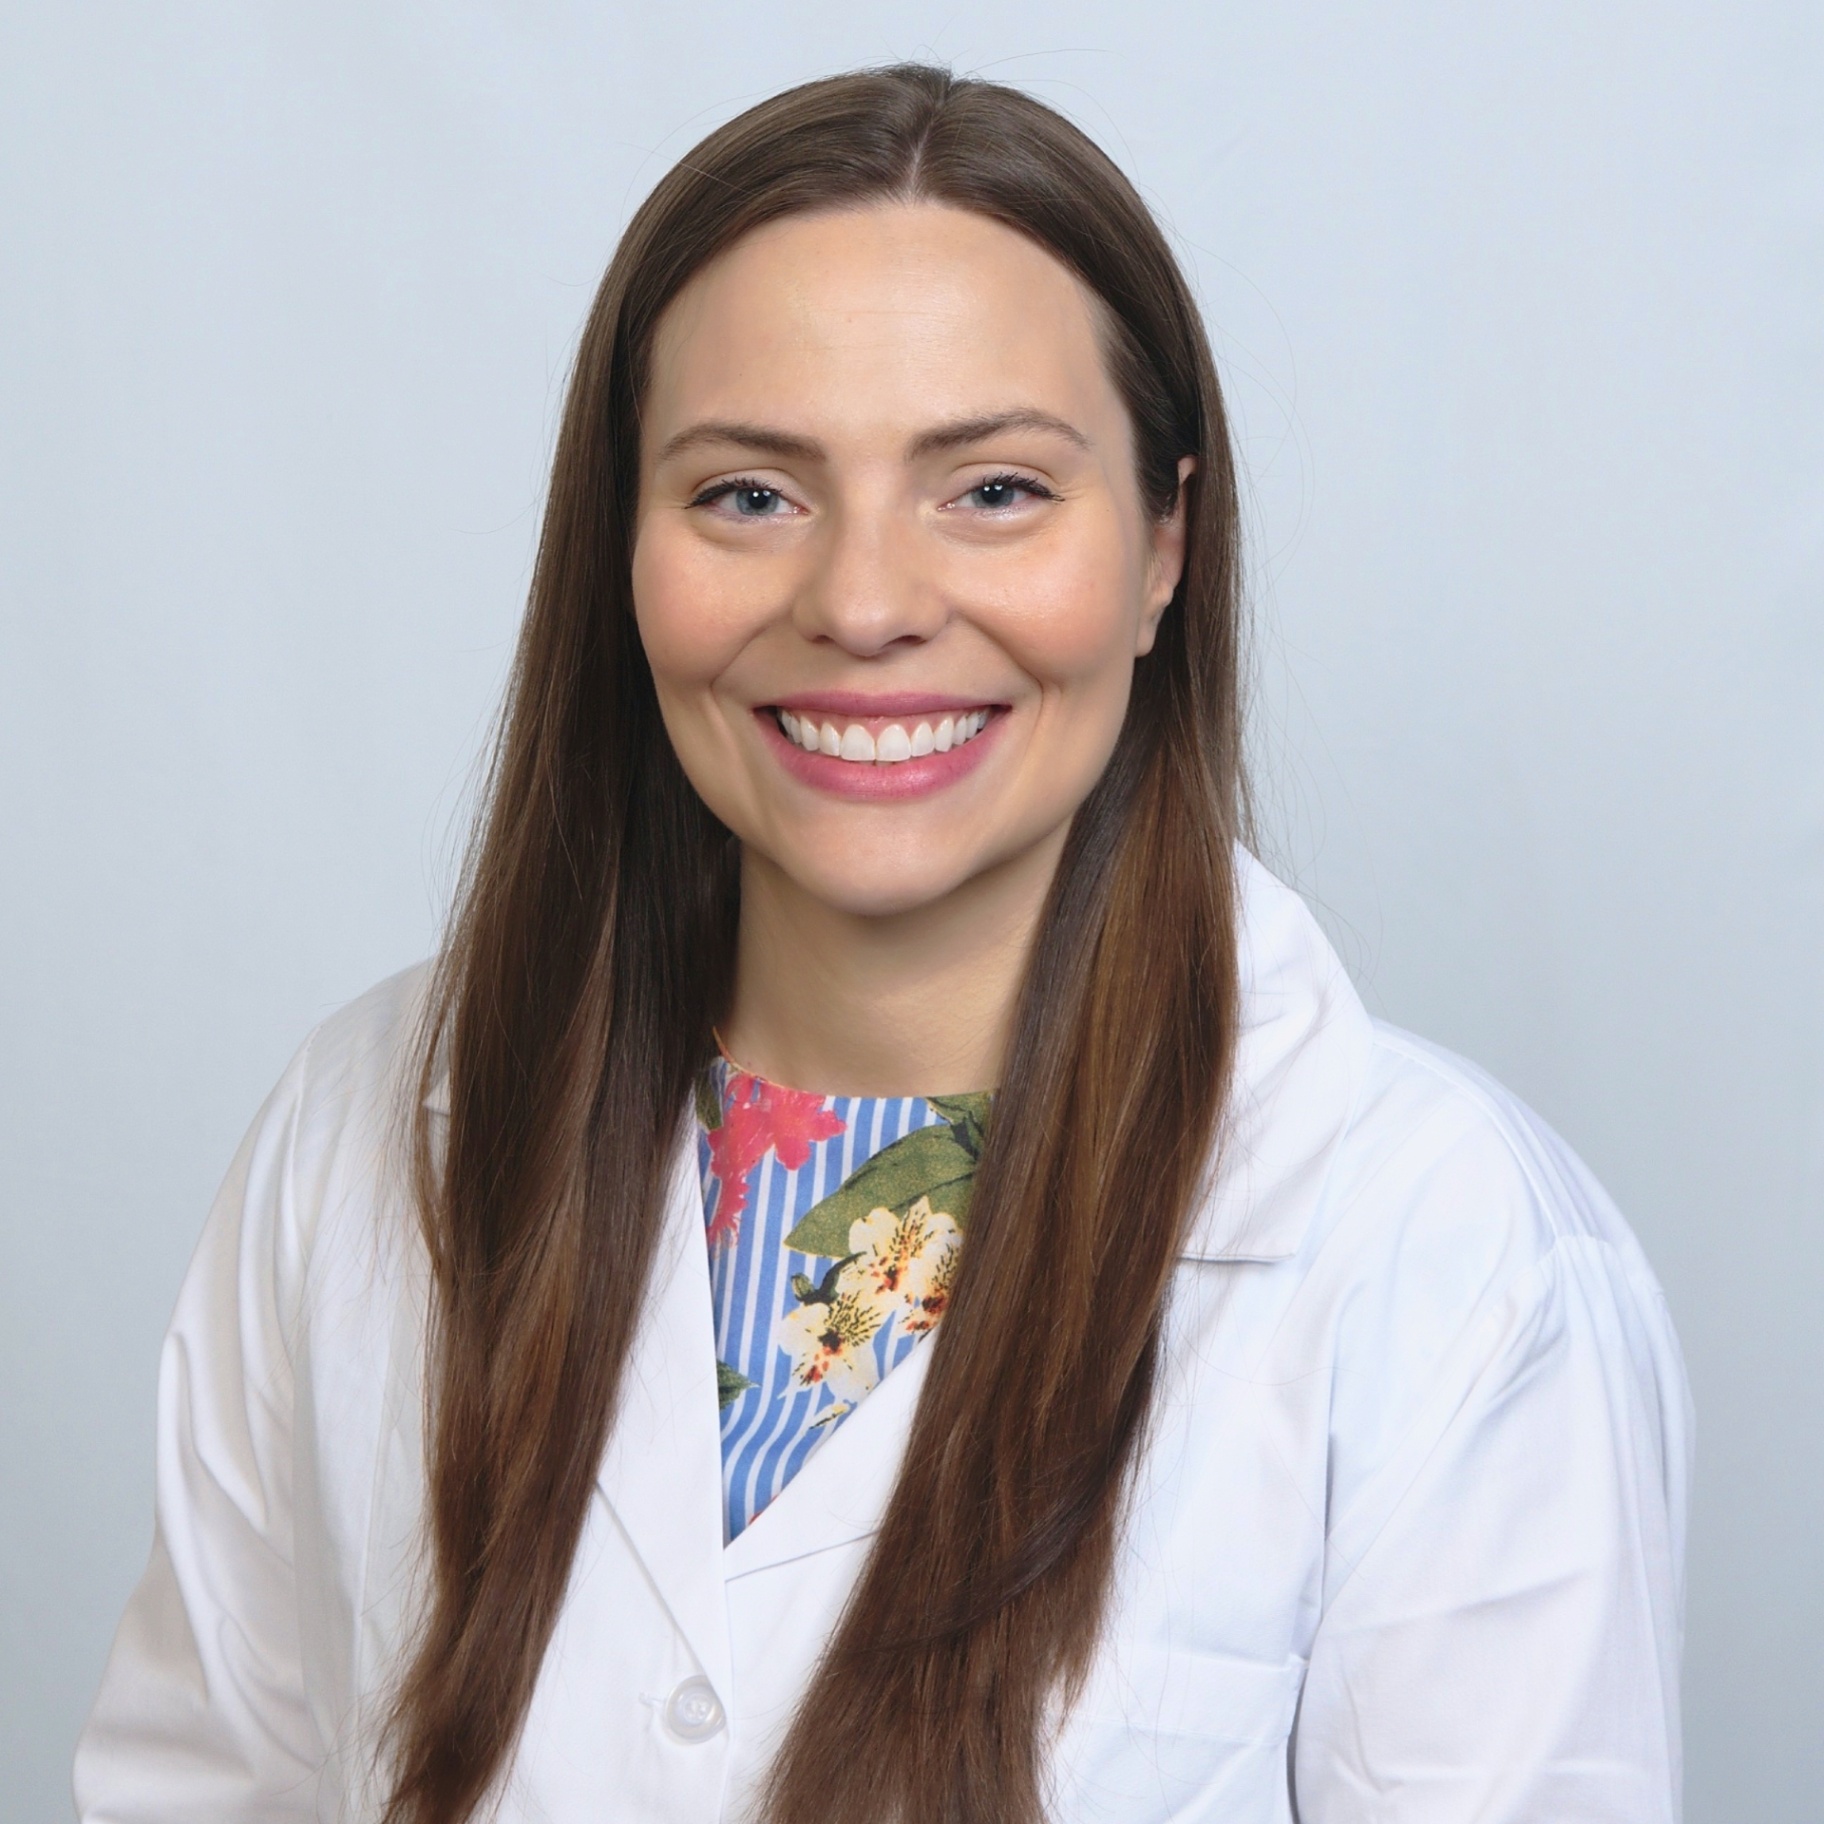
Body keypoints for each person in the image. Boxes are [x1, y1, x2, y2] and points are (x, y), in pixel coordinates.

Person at [73, 64, 1689, 1824]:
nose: (860, 602)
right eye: (749, 495)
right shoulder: (362, 1132)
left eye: (992, 489)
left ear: (1164, 545)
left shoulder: (1448, 1257)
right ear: (623, 547)